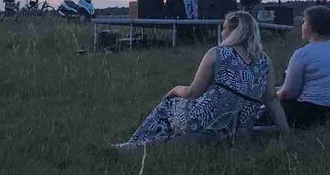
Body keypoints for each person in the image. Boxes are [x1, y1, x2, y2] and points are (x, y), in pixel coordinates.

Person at [116, 11, 289, 149]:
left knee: (168, 105)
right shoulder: (265, 62)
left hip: (205, 121)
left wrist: (174, 90)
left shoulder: (217, 53)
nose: (222, 32)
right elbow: (272, 100)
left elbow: (192, 92)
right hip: (240, 129)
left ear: (233, 31)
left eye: (224, 28)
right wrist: (285, 132)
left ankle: (136, 144)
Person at [276, 6, 330, 128]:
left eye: (304, 22)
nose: (302, 26)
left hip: (313, 112)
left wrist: (269, 99)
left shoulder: (302, 54)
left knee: (271, 108)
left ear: (310, 27)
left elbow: (288, 94)